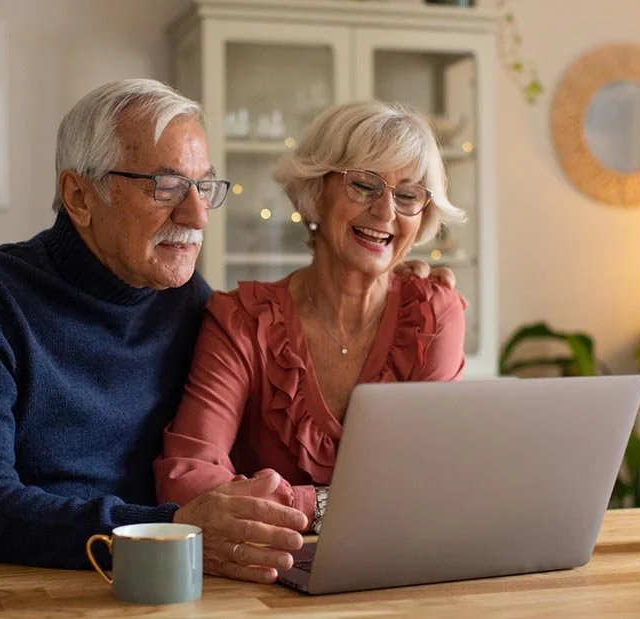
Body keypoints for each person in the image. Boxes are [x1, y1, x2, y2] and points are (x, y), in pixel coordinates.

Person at [0, 78, 457, 585]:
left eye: (205, 187)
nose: (197, 215)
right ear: (79, 196)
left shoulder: (188, 301)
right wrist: (174, 528)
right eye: (165, 186)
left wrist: (382, 274)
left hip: (148, 578)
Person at [154, 100, 467, 535]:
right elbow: (186, 479)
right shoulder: (242, 320)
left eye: (408, 195)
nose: (385, 212)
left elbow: (432, 484)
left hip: (398, 576)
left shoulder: (433, 313)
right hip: (262, 576)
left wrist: (293, 502)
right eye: (363, 185)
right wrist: (328, 505)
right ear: (316, 192)